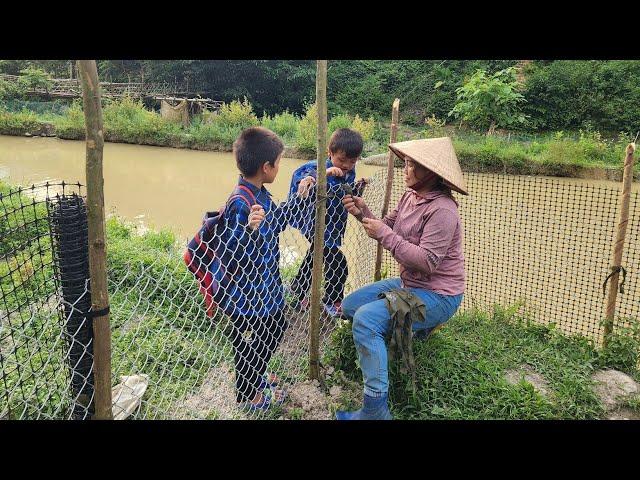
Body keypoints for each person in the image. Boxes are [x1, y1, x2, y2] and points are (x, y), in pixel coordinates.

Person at [335, 137, 468, 420]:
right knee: (350, 306)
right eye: (405, 164)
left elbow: (428, 262)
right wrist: (363, 213)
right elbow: (390, 226)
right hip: (410, 285)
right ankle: (414, 330)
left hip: (438, 294)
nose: (406, 170)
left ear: (432, 174)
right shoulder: (411, 195)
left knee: (366, 320)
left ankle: (375, 409)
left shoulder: (443, 209)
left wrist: (384, 235)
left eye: (412, 166)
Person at [221, 126, 305, 411]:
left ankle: (253, 375)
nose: (280, 167)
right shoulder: (240, 203)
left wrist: (300, 198)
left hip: (266, 291)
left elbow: (278, 222)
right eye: (279, 162)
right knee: (248, 345)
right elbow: (230, 252)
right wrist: (249, 230)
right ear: (266, 167)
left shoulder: (261, 195)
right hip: (246, 299)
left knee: (272, 330)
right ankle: (249, 394)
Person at [287, 128, 367, 317]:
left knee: (315, 257)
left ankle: (297, 291)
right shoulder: (316, 167)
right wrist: (323, 174)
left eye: (352, 161)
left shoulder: (350, 170)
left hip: (333, 224)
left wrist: (356, 189)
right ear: (329, 153)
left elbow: (343, 190)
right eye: (341, 160)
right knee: (339, 263)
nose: (347, 165)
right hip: (314, 224)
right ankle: (332, 300)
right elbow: (302, 180)